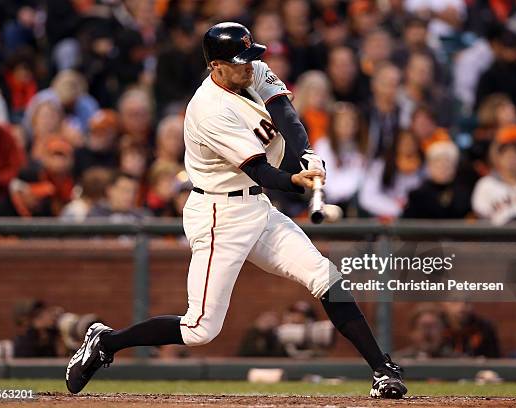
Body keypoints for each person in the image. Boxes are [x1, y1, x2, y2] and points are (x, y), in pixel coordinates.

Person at [66, 22, 407, 400]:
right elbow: (259, 169)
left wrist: (306, 153)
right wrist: (298, 180)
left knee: (326, 277)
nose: (250, 66)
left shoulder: (249, 70)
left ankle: (382, 369)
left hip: (255, 206)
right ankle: (107, 342)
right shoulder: (209, 110)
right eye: (240, 61)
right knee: (200, 329)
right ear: (216, 66)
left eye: (251, 57)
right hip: (218, 214)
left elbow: (284, 111)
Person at [403, 140, 471, 219]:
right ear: (429, 166)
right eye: (438, 162)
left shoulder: (464, 193)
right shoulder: (418, 194)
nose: (443, 166)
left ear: (455, 167)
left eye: (448, 162)